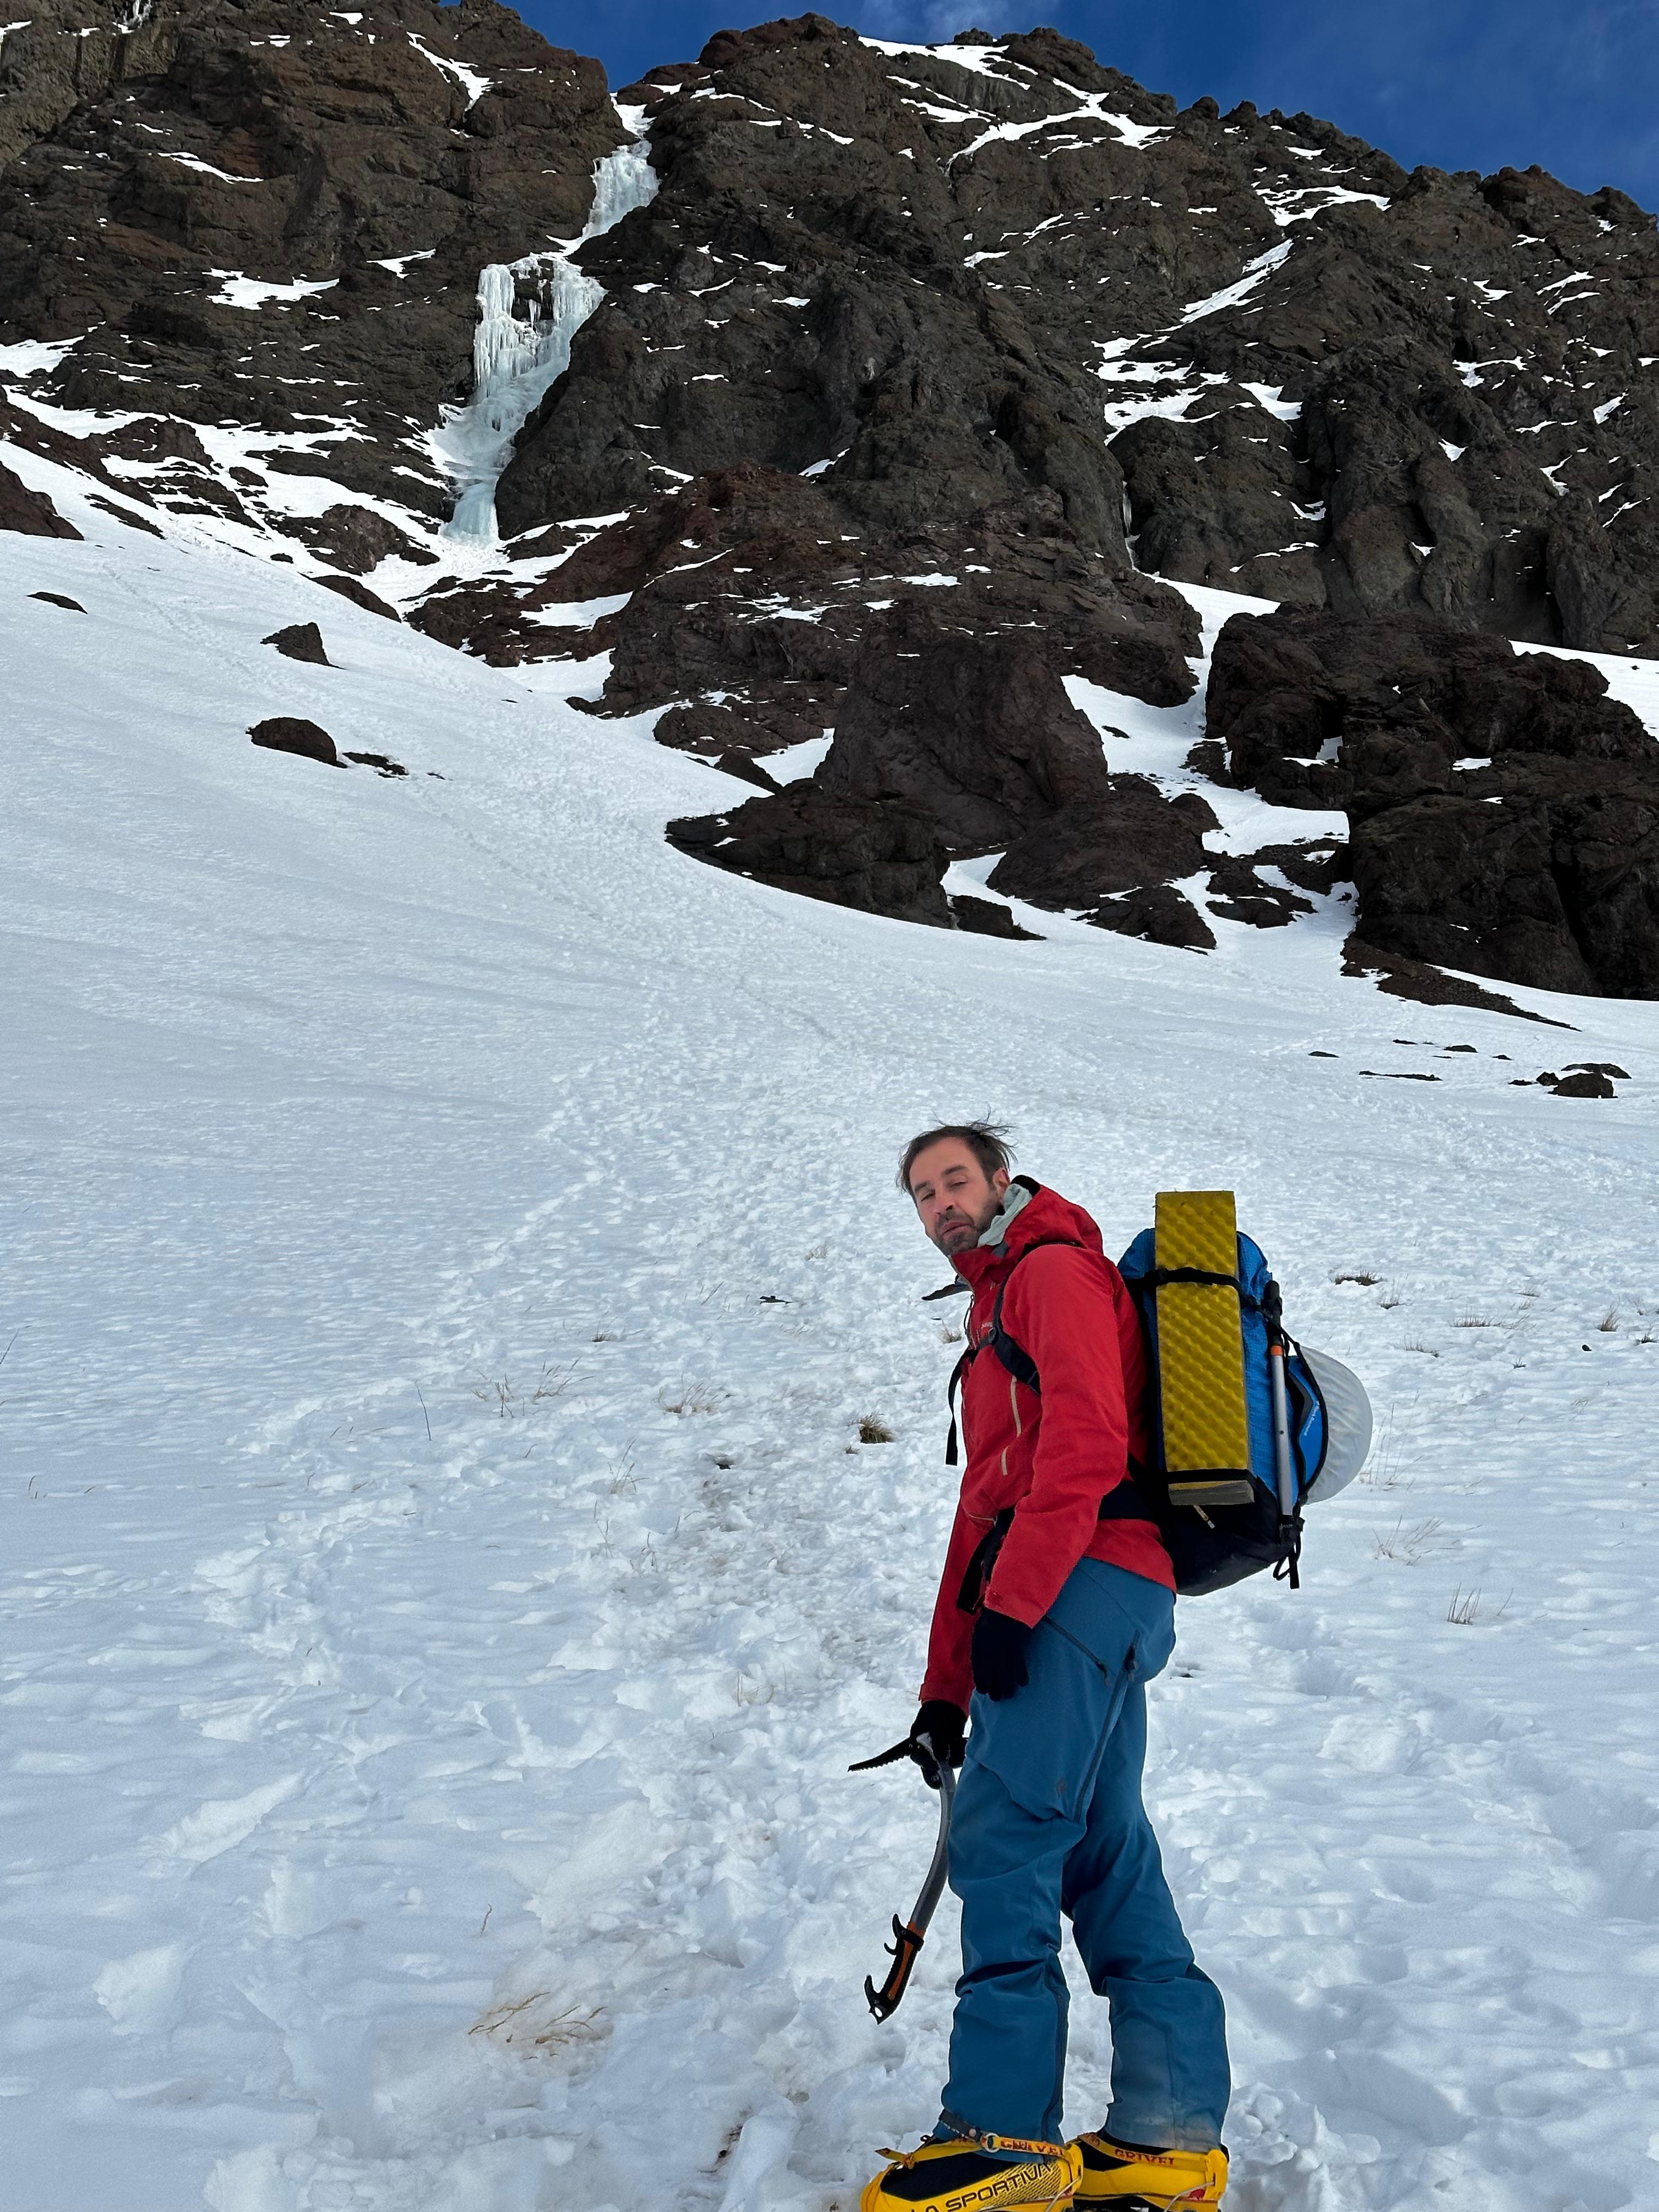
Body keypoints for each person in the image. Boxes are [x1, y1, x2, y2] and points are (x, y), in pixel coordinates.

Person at [861, 1125, 1231, 2212]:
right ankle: (1166, 2138)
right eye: (922, 1195)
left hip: (1080, 1581)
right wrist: (946, 1686)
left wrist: (1017, 1610)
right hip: (1085, 1590)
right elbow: (981, 1512)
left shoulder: (1052, 1272)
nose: (940, 1205)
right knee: (1101, 1848)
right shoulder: (993, 1314)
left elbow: (1087, 1439)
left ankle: (1005, 2134)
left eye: (954, 1180)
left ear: (1001, 1180)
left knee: (1010, 1834)